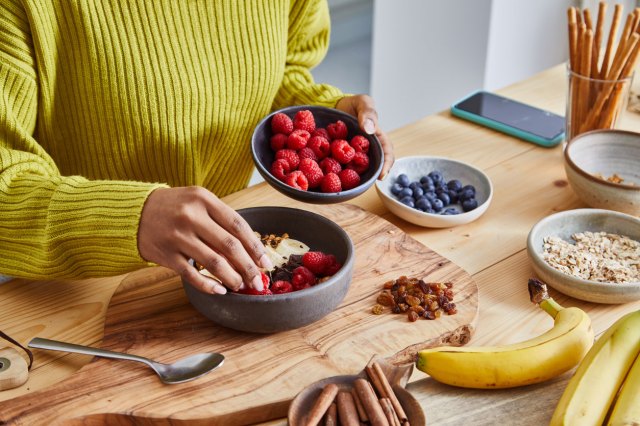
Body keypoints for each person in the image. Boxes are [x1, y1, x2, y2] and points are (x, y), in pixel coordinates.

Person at [0, 0, 394, 295]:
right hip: (84, 287)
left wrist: (322, 125)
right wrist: (132, 218)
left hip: (233, 254)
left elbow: (283, 66)